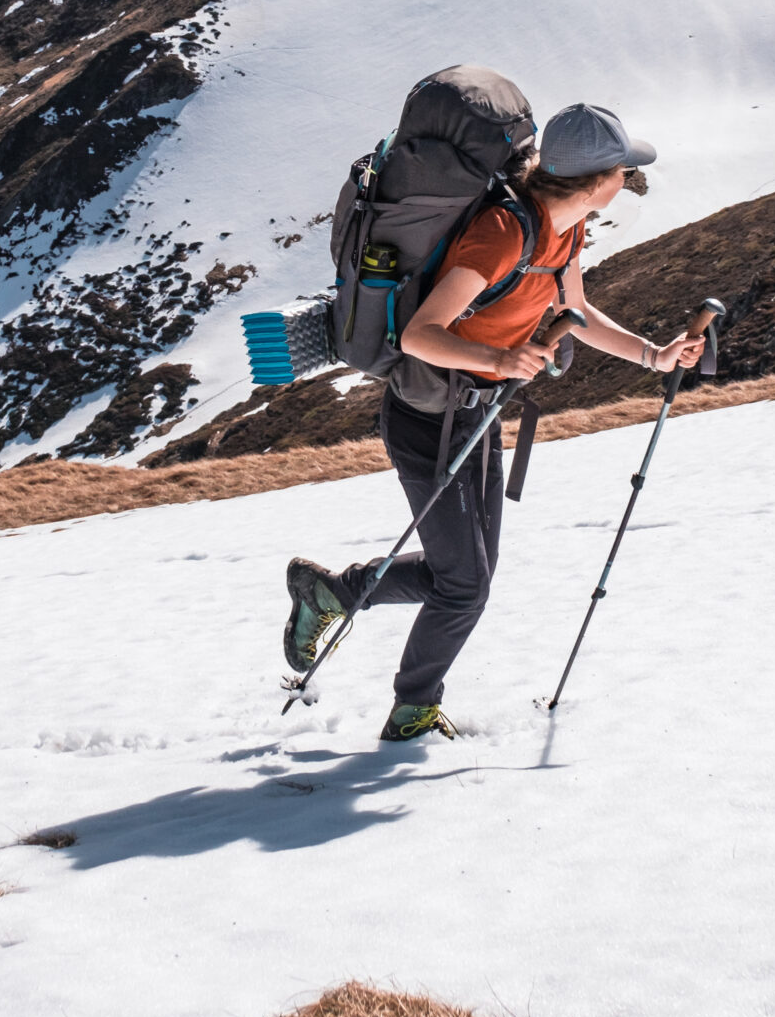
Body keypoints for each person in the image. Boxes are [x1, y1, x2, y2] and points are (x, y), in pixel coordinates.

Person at [282, 101, 694, 742]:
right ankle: (411, 711)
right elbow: (422, 335)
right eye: (622, 168)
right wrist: (501, 357)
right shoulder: (503, 233)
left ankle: (331, 594)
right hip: (425, 418)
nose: (628, 178)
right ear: (592, 180)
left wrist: (654, 355)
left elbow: (577, 309)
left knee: (465, 577)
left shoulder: (568, 230)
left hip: (478, 414)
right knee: (465, 586)